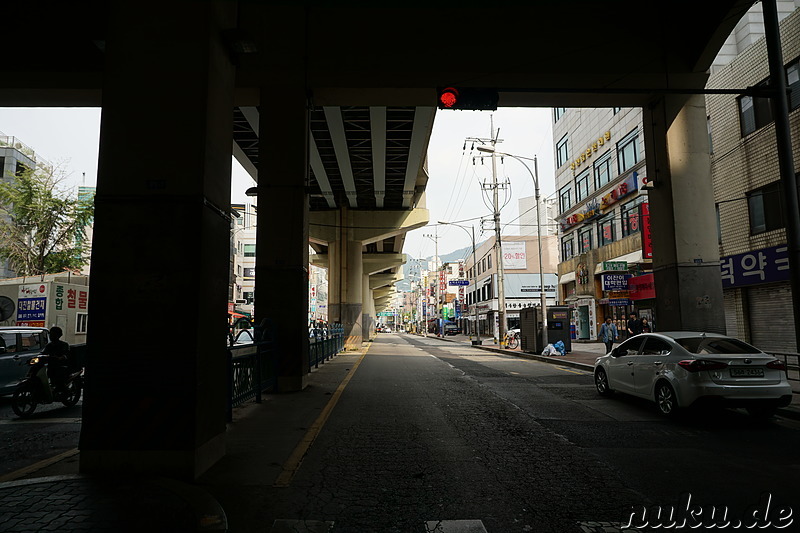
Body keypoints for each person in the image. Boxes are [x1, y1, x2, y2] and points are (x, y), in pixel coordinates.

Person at [42, 326, 70, 393]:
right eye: (50, 334)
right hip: (51, 365)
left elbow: (66, 355)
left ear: (58, 335)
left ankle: (62, 389)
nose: (51, 336)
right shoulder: (49, 346)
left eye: (53, 335)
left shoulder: (64, 345)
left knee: (58, 375)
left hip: (62, 366)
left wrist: (60, 358)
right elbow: (43, 353)